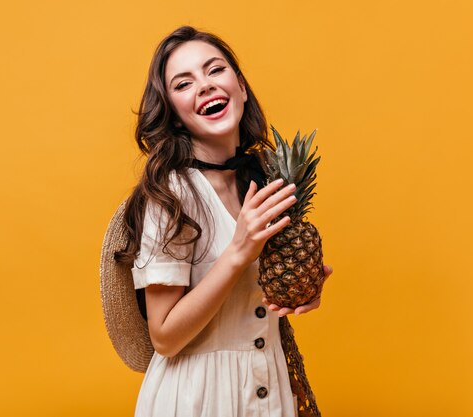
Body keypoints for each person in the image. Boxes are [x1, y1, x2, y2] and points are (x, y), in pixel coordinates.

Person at [114, 25, 332, 417]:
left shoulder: (263, 179)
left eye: (215, 70)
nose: (204, 85)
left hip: (269, 386)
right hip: (198, 397)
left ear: (241, 88)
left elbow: (255, 302)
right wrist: (237, 253)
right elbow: (163, 336)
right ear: (174, 115)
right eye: (183, 84)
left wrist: (299, 289)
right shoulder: (172, 195)